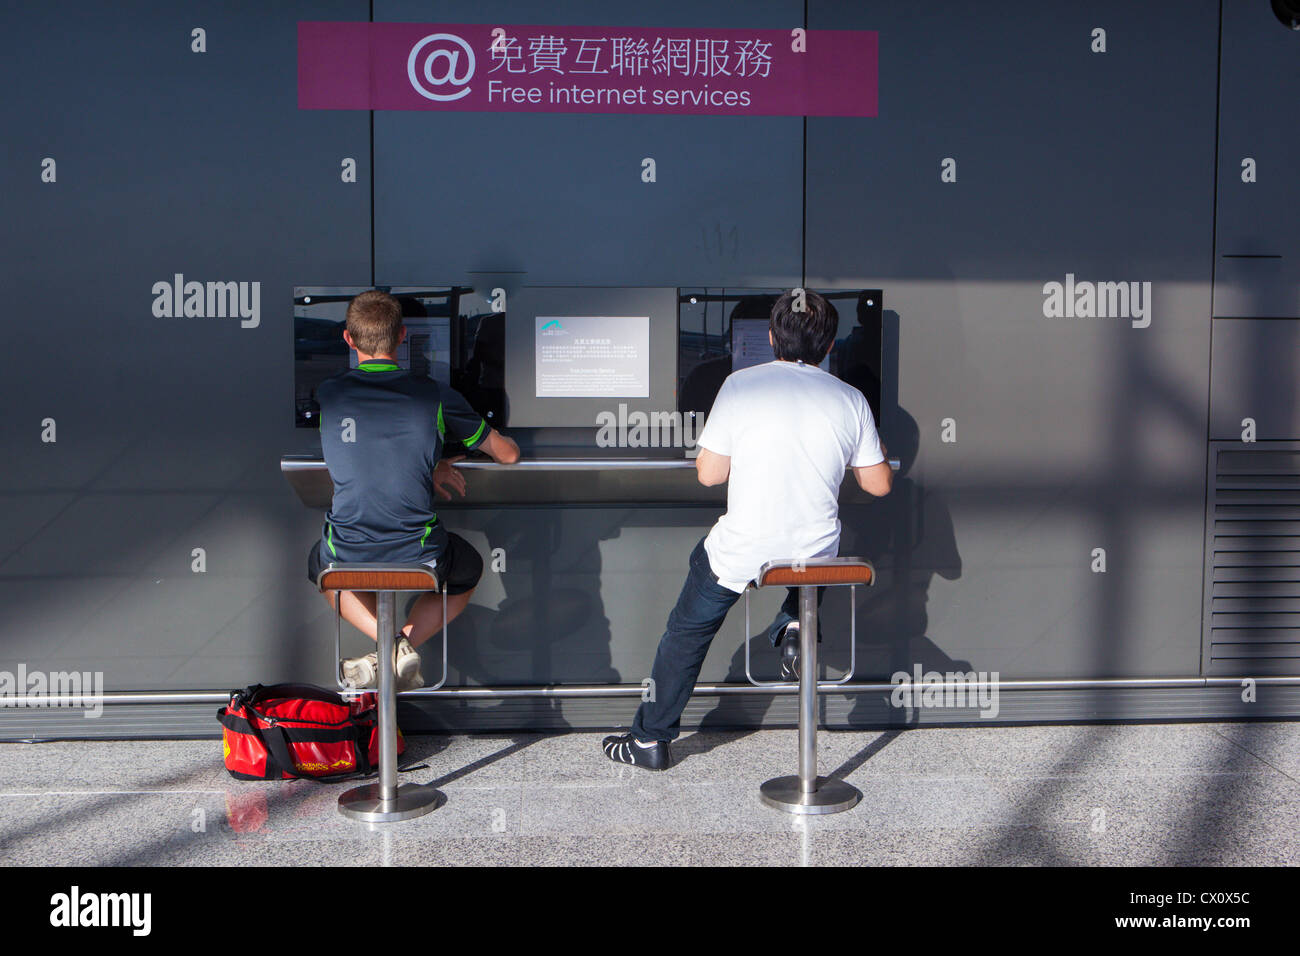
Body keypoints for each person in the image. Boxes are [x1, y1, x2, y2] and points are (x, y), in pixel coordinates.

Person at [603, 290, 893, 770]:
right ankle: (795, 623)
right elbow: (878, 484)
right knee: (815, 555)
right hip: (812, 557)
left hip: (743, 549)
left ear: (773, 336)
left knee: (687, 632)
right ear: (829, 344)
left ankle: (650, 739)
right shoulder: (850, 398)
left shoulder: (742, 386)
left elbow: (710, 474)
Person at [308, 290, 520, 690]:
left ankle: (386, 648)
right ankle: (397, 645)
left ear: (348, 340)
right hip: (419, 554)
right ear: (403, 336)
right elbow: (506, 455)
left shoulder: (330, 395)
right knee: (468, 568)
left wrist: (433, 460)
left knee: (319, 567)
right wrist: (442, 459)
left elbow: (372, 442)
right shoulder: (433, 393)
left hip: (346, 552)